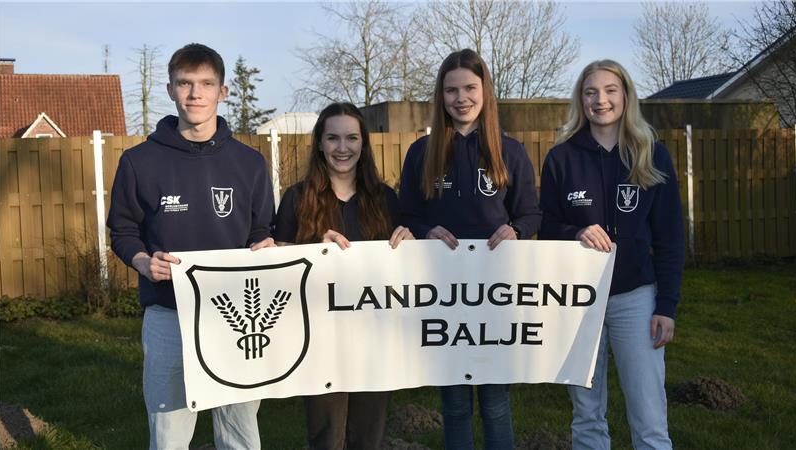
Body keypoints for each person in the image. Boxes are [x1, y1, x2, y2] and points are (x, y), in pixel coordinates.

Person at [107, 43, 276, 450]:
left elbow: (260, 229)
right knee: (169, 434)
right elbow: (123, 231)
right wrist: (143, 261)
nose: (195, 93)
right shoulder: (139, 162)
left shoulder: (250, 163)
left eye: (206, 84)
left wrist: (264, 245)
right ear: (170, 89)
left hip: (237, 316)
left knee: (239, 432)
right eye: (185, 83)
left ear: (223, 91)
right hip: (168, 314)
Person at [398, 49, 541, 450]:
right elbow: (406, 214)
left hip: (495, 292)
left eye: (469, 88)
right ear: (440, 96)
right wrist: (425, 230)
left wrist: (516, 230)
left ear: (485, 92)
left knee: (495, 404)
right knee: (456, 405)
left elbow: (531, 213)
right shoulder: (421, 153)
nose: (461, 98)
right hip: (442, 292)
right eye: (451, 90)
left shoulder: (509, 151)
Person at [538, 59, 685, 449]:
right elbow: (546, 227)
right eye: (590, 92)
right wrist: (576, 232)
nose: (600, 100)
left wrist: (666, 306)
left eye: (609, 90)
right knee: (586, 414)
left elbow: (670, 238)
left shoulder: (652, 155)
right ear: (580, 100)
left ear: (626, 96)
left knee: (649, 417)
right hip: (579, 301)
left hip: (635, 298)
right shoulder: (561, 159)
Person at [273, 102, 413, 450]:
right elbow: (280, 267)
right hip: (318, 339)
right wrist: (312, 249)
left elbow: (404, 270)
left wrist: (411, 245)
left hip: (375, 337)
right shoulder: (297, 198)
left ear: (363, 143)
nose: (342, 147)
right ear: (320, 143)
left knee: (368, 438)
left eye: (351, 138)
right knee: (326, 439)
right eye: (332, 138)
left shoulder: (385, 199)